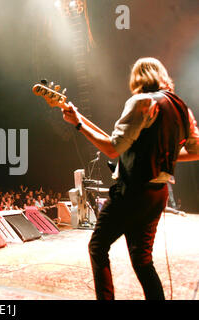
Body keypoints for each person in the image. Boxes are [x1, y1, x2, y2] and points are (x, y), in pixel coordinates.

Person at [60, 57, 199, 300]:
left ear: (137, 78)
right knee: (142, 260)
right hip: (158, 193)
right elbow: (197, 150)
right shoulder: (181, 108)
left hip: (133, 191)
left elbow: (113, 149)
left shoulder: (142, 102)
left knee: (97, 246)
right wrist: (163, 157)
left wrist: (78, 125)